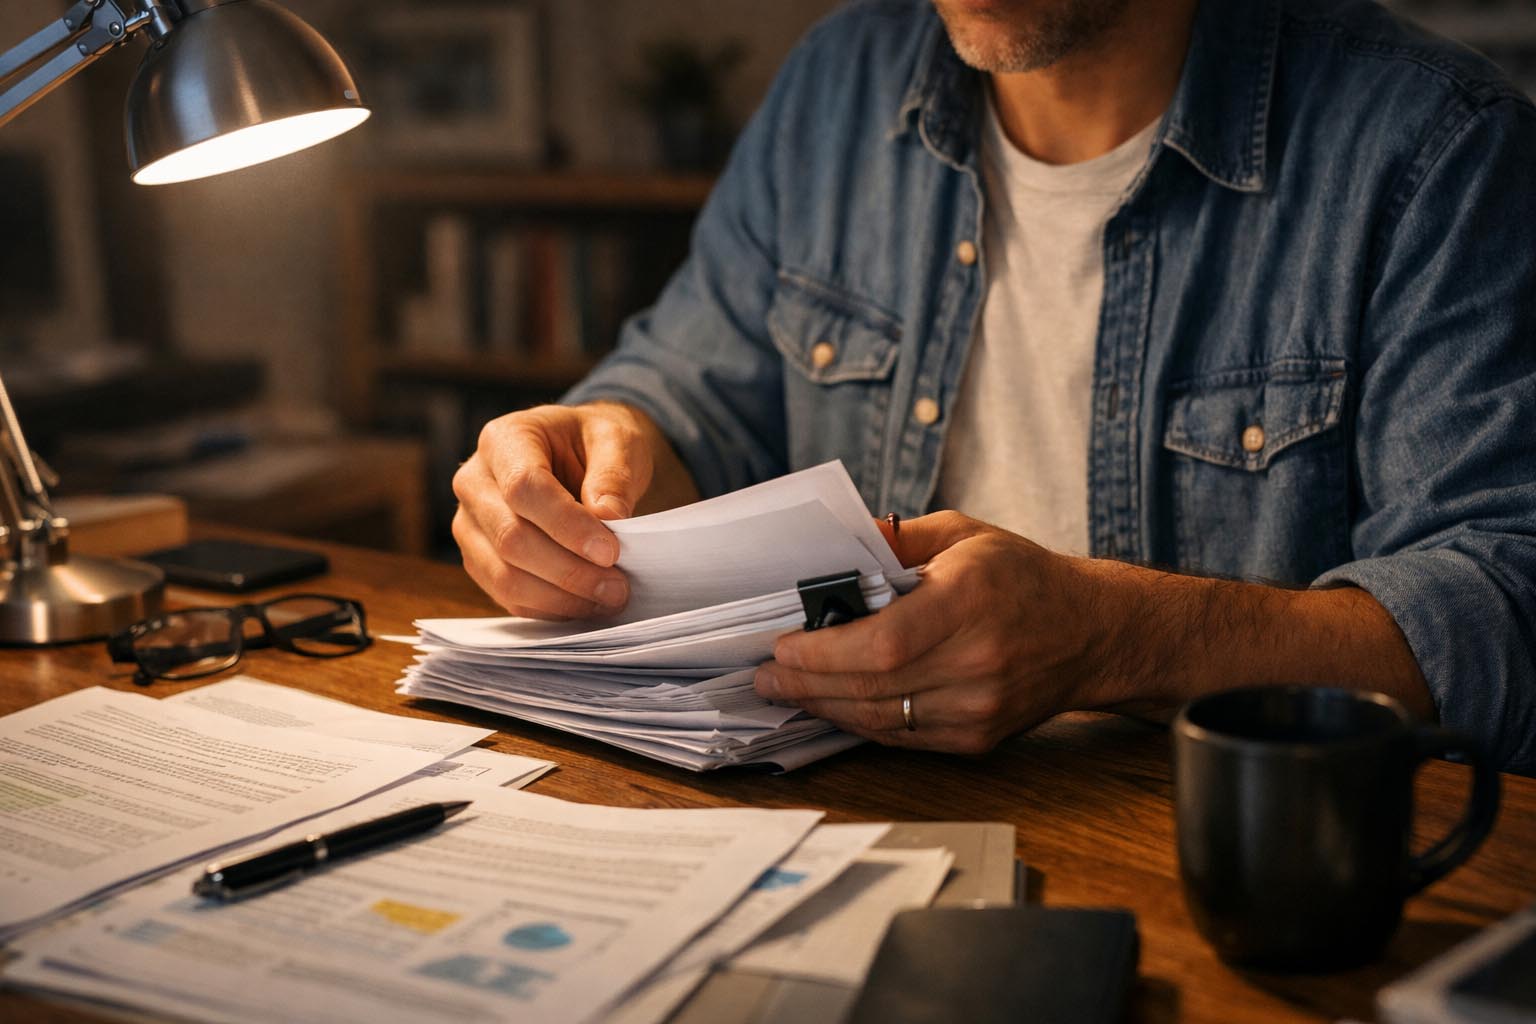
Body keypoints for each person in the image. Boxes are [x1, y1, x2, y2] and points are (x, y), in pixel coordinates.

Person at [453, 0, 1536, 773]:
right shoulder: (838, 84)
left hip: (1219, 881)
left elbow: (1504, 617)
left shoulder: (1435, 146)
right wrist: (596, 442)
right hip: (846, 825)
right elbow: (694, 387)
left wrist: (1114, 637)